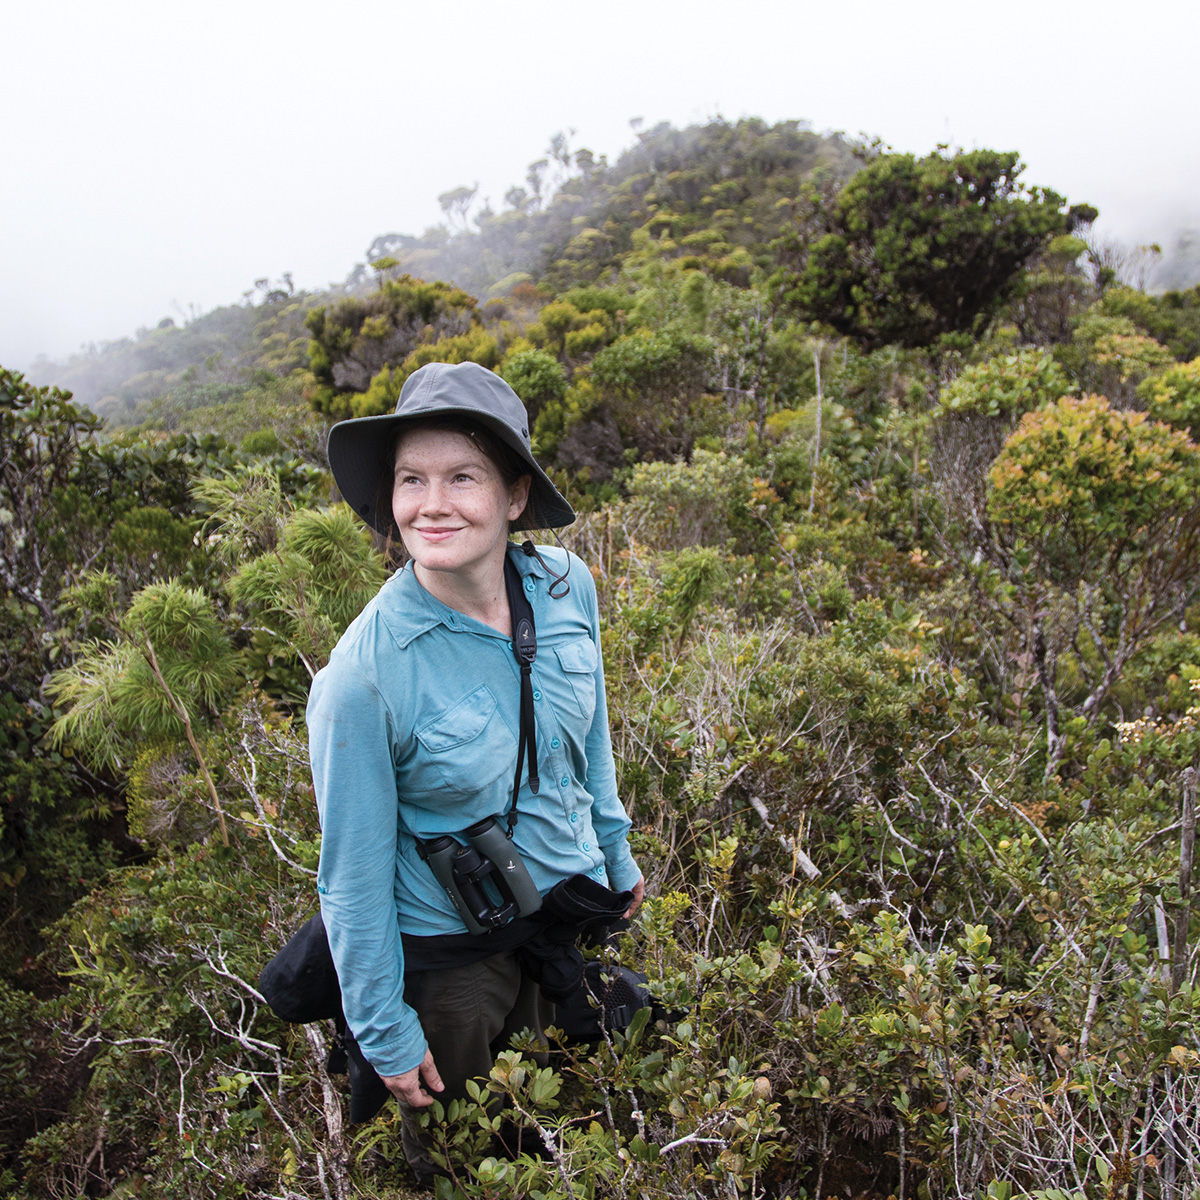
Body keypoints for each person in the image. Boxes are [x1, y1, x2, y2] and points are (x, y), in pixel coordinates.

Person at [306, 360, 644, 1179]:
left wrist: (615, 849)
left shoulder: (567, 588)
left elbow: (588, 739)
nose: (431, 504)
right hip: (450, 958)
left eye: (464, 476)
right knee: (463, 1152)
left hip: (561, 905)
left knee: (554, 1120)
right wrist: (384, 1030)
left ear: (515, 495)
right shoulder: (364, 676)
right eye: (411, 479)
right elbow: (349, 880)